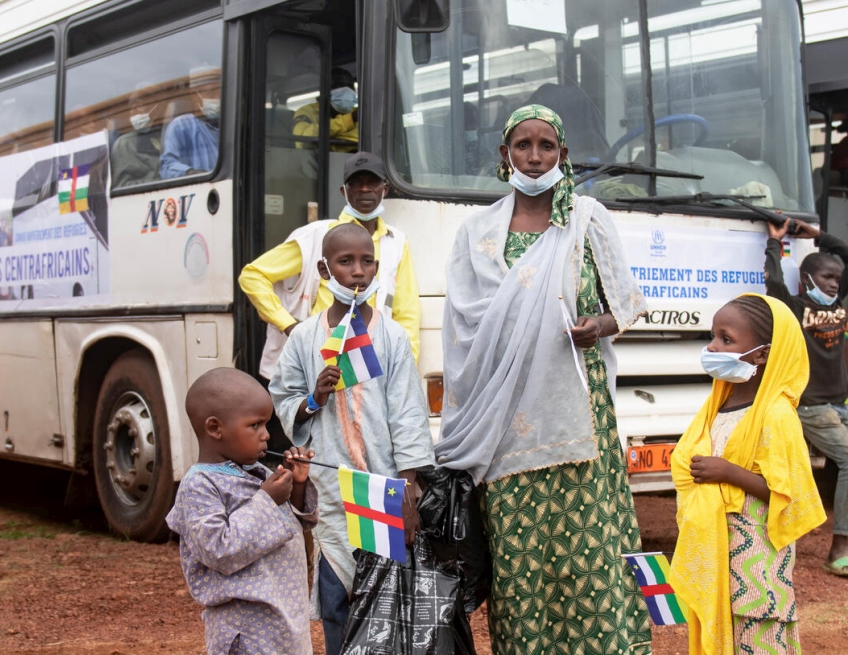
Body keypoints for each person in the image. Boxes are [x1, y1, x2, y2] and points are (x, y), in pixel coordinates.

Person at [434, 104, 651, 654]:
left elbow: (624, 306)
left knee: (588, 550)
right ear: (504, 155)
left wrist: (595, 325)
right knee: (519, 556)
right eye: (523, 145)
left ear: (563, 154)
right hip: (503, 420)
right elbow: (462, 330)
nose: (534, 156)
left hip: (577, 412)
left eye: (546, 145)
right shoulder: (475, 231)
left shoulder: (587, 217)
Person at [268, 222, 435, 655]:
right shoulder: (305, 338)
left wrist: (408, 487)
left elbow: (409, 414)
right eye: (345, 262)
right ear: (325, 270)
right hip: (332, 492)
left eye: (365, 262)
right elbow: (282, 397)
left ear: (377, 268)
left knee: (386, 598)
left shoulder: (392, 336)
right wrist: (314, 397)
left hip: (382, 489)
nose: (357, 272)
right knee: (336, 597)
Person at [669, 294, 826, 654]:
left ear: (761, 353)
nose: (712, 346)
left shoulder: (776, 414)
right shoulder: (718, 405)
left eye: (726, 339)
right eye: (713, 336)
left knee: (758, 635)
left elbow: (790, 492)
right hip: (717, 553)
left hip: (757, 559)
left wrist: (727, 472)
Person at [165, 368, 319, 655]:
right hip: (246, 632)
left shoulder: (256, 472)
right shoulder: (199, 485)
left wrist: (296, 486)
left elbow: (289, 527)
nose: (265, 436)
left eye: (266, 425)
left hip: (286, 623)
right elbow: (219, 549)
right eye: (255, 426)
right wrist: (267, 501)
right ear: (214, 428)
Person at [238, 150, 420, 380]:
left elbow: (407, 312)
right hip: (313, 357)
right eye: (356, 183)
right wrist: (289, 325)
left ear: (384, 190)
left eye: (372, 182)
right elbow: (253, 275)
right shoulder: (317, 235)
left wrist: (406, 366)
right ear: (344, 191)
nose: (365, 189)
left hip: (367, 362)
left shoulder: (396, 241)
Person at [765, 218, 848, 576]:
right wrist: (775, 243)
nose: (834, 284)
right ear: (809, 278)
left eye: (838, 279)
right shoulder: (793, 307)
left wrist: (816, 235)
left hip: (838, 404)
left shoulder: (839, 304)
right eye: (828, 277)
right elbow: (773, 280)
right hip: (811, 406)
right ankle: (839, 549)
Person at [159, 73, 220, 179]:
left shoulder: (233, 123)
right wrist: (190, 173)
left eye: (220, 92)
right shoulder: (181, 126)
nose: (218, 97)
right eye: (211, 93)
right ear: (196, 96)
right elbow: (167, 167)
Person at [293, 67, 358, 152]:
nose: (346, 91)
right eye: (339, 86)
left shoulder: (359, 113)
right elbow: (303, 140)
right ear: (325, 90)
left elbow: (360, 142)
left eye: (350, 86)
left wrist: (327, 143)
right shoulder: (307, 111)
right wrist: (349, 120)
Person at [110, 84, 162, 188]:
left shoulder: (166, 135)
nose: (133, 111)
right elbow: (123, 186)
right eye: (131, 107)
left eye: (139, 105)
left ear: (155, 108)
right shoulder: (124, 143)